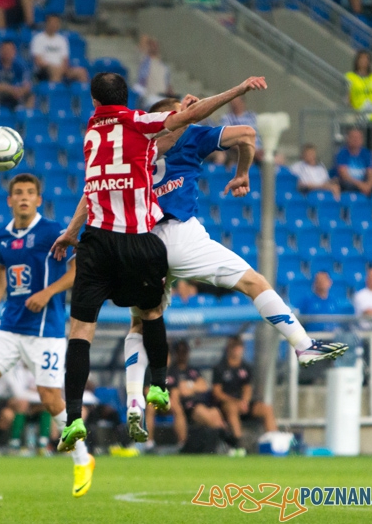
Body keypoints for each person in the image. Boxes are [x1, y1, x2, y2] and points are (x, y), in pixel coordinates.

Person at [49, 73, 270, 453]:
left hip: (96, 242)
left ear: (94, 102)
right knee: (150, 314)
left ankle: (72, 419)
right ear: (127, 98)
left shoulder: (91, 132)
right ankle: (159, 385)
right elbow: (177, 128)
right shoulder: (139, 122)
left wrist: (71, 231)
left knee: (80, 331)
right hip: (138, 241)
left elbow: (94, 186)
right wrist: (233, 91)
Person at [116, 96, 348, 442]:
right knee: (254, 283)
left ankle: (135, 403)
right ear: (177, 115)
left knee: (141, 321)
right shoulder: (190, 135)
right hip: (182, 235)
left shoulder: (132, 146)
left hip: (143, 243)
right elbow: (247, 135)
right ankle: (303, 345)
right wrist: (242, 173)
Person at [0, 174, 95, 496]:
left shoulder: (54, 232)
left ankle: (84, 459)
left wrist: (49, 292)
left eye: (30, 193)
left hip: (46, 329)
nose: (25, 197)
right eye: (19, 193)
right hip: (11, 325)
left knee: (49, 399)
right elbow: (1, 268)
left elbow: (80, 265)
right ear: (10, 200)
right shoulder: (1, 236)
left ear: (39, 200)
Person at [166, 340, 239, 452]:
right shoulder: (172, 371)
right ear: (175, 353)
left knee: (215, 412)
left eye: (184, 352)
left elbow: (203, 386)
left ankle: (228, 444)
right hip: (188, 407)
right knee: (208, 416)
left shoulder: (192, 370)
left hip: (202, 403)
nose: (182, 355)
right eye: (179, 352)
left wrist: (189, 386)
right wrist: (192, 387)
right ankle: (229, 444)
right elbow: (178, 391)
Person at [212, 336, 278, 447]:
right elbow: (217, 393)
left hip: (243, 404)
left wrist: (245, 402)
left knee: (266, 408)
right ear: (228, 348)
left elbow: (247, 388)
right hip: (227, 405)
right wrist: (235, 401)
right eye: (234, 347)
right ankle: (239, 444)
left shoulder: (246, 367)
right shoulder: (220, 368)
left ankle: (274, 442)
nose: (237, 350)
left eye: (239, 347)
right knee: (231, 408)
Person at [30, 15, 88, 84]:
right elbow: (38, 61)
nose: (54, 25)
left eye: (56, 23)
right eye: (52, 23)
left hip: (62, 68)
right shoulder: (38, 39)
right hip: (44, 69)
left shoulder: (62, 40)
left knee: (82, 72)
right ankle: (55, 92)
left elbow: (65, 60)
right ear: (47, 23)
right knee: (55, 70)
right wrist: (52, 66)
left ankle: (83, 93)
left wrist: (63, 68)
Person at [0, 40, 31, 111]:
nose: (7, 52)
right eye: (5, 49)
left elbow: (27, 85)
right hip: (0, 93)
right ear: (0, 51)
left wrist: (21, 91)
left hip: (15, 93)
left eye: (9, 50)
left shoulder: (20, 65)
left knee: (30, 94)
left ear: (14, 51)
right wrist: (10, 89)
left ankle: (25, 115)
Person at [133, 35, 172, 110]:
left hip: (162, 96)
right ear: (148, 47)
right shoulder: (145, 62)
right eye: (152, 45)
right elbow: (143, 41)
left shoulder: (164, 66)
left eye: (156, 45)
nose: (154, 47)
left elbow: (168, 85)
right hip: (150, 97)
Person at [335, 128, 372, 196]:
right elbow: (344, 175)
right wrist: (361, 185)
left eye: (358, 137)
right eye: (353, 137)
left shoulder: (367, 153)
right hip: (350, 182)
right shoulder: (342, 153)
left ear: (362, 140)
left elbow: (371, 174)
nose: (356, 140)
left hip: (364, 182)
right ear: (348, 139)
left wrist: (369, 186)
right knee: (348, 186)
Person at [345, 51, 372, 121]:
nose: (364, 61)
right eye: (362, 58)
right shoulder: (350, 77)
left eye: (366, 59)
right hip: (359, 116)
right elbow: (347, 98)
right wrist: (354, 112)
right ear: (357, 61)